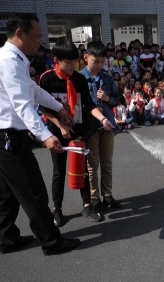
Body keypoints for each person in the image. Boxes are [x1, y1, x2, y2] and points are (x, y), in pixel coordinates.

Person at [0, 13, 80, 255]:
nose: (40, 42)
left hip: (5, 134)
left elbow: (33, 90)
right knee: (33, 190)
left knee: (7, 194)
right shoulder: (9, 61)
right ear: (19, 34)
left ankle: (7, 238)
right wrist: (45, 135)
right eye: (36, 37)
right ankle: (51, 241)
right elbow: (22, 104)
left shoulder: (15, 59)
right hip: (10, 135)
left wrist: (59, 107)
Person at [40, 38, 115, 226]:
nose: (73, 66)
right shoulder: (47, 79)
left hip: (79, 132)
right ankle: (57, 209)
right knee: (59, 171)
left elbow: (89, 106)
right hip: (57, 134)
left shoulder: (79, 79)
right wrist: (61, 125)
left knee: (82, 170)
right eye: (69, 62)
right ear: (56, 60)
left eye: (75, 62)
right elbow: (44, 109)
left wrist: (103, 119)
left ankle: (87, 204)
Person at [80, 41, 122, 211]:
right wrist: (90, 109)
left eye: (101, 61)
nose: (98, 65)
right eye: (94, 61)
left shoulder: (108, 78)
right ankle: (94, 197)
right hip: (90, 130)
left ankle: (108, 196)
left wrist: (106, 99)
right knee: (92, 165)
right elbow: (77, 105)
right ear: (85, 58)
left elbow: (117, 100)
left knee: (107, 163)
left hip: (108, 127)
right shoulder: (80, 78)